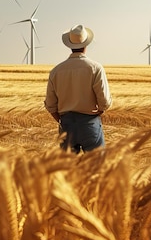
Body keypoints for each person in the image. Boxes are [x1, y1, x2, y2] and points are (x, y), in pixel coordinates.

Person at [44, 24, 112, 153]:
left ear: (69, 46)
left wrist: (62, 120)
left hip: (66, 125)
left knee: (68, 170)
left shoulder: (56, 71)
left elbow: (50, 105)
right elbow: (104, 102)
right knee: (97, 169)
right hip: (90, 124)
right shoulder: (95, 68)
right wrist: (98, 113)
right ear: (86, 45)